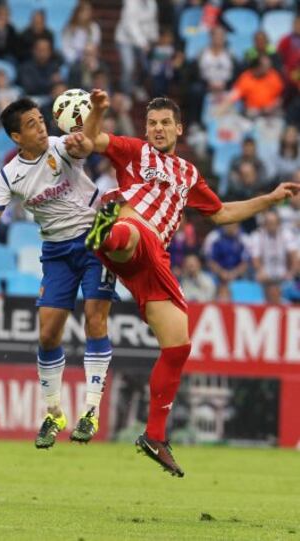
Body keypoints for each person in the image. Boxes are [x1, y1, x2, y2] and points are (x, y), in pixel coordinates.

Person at [67, 89, 299, 477]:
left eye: (163, 124)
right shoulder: (135, 150)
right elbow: (93, 141)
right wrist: (98, 111)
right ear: (146, 129)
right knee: (131, 229)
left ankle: (154, 435)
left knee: (178, 343)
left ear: (179, 128)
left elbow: (223, 213)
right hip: (133, 227)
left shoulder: (189, 174)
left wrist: (270, 199)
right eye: (152, 124)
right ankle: (106, 233)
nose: (157, 130)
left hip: (155, 258)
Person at [0, 98, 116, 449]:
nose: (41, 127)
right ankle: (54, 413)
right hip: (55, 252)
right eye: (31, 124)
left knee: (95, 318)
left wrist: (89, 124)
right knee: (47, 334)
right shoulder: (9, 176)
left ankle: (90, 410)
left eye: (41, 120)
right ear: (15, 137)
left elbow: (85, 144)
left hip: (95, 238)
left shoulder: (63, 146)